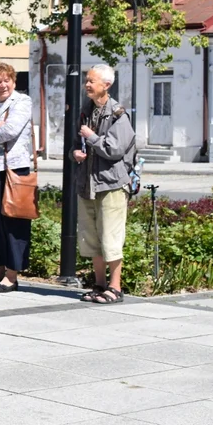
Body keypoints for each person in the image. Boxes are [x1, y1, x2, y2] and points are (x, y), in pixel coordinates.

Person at [73, 64, 135, 305]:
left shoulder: (119, 114)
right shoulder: (85, 110)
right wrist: (74, 153)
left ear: (106, 85)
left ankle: (115, 287)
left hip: (111, 184)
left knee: (111, 238)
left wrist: (91, 137)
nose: (87, 85)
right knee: (91, 238)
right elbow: (75, 144)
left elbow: (114, 149)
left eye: (92, 81)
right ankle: (99, 285)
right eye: (87, 80)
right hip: (87, 183)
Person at [0, 61, 34, 293]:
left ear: (14, 82)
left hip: (14, 169)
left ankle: (12, 274)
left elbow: (11, 130)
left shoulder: (22, 101)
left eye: (7, 80)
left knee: (14, 222)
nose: (2, 85)